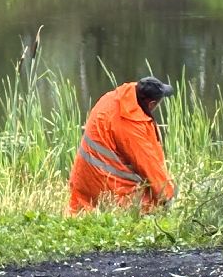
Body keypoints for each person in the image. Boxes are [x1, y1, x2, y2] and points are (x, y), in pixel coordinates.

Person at [68, 77, 176, 214]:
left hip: (83, 181)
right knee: (153, 204)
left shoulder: (112, 99)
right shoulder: (130, 125)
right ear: (151, 104)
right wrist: (168, 197)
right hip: (104, 187)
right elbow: (149, 166)